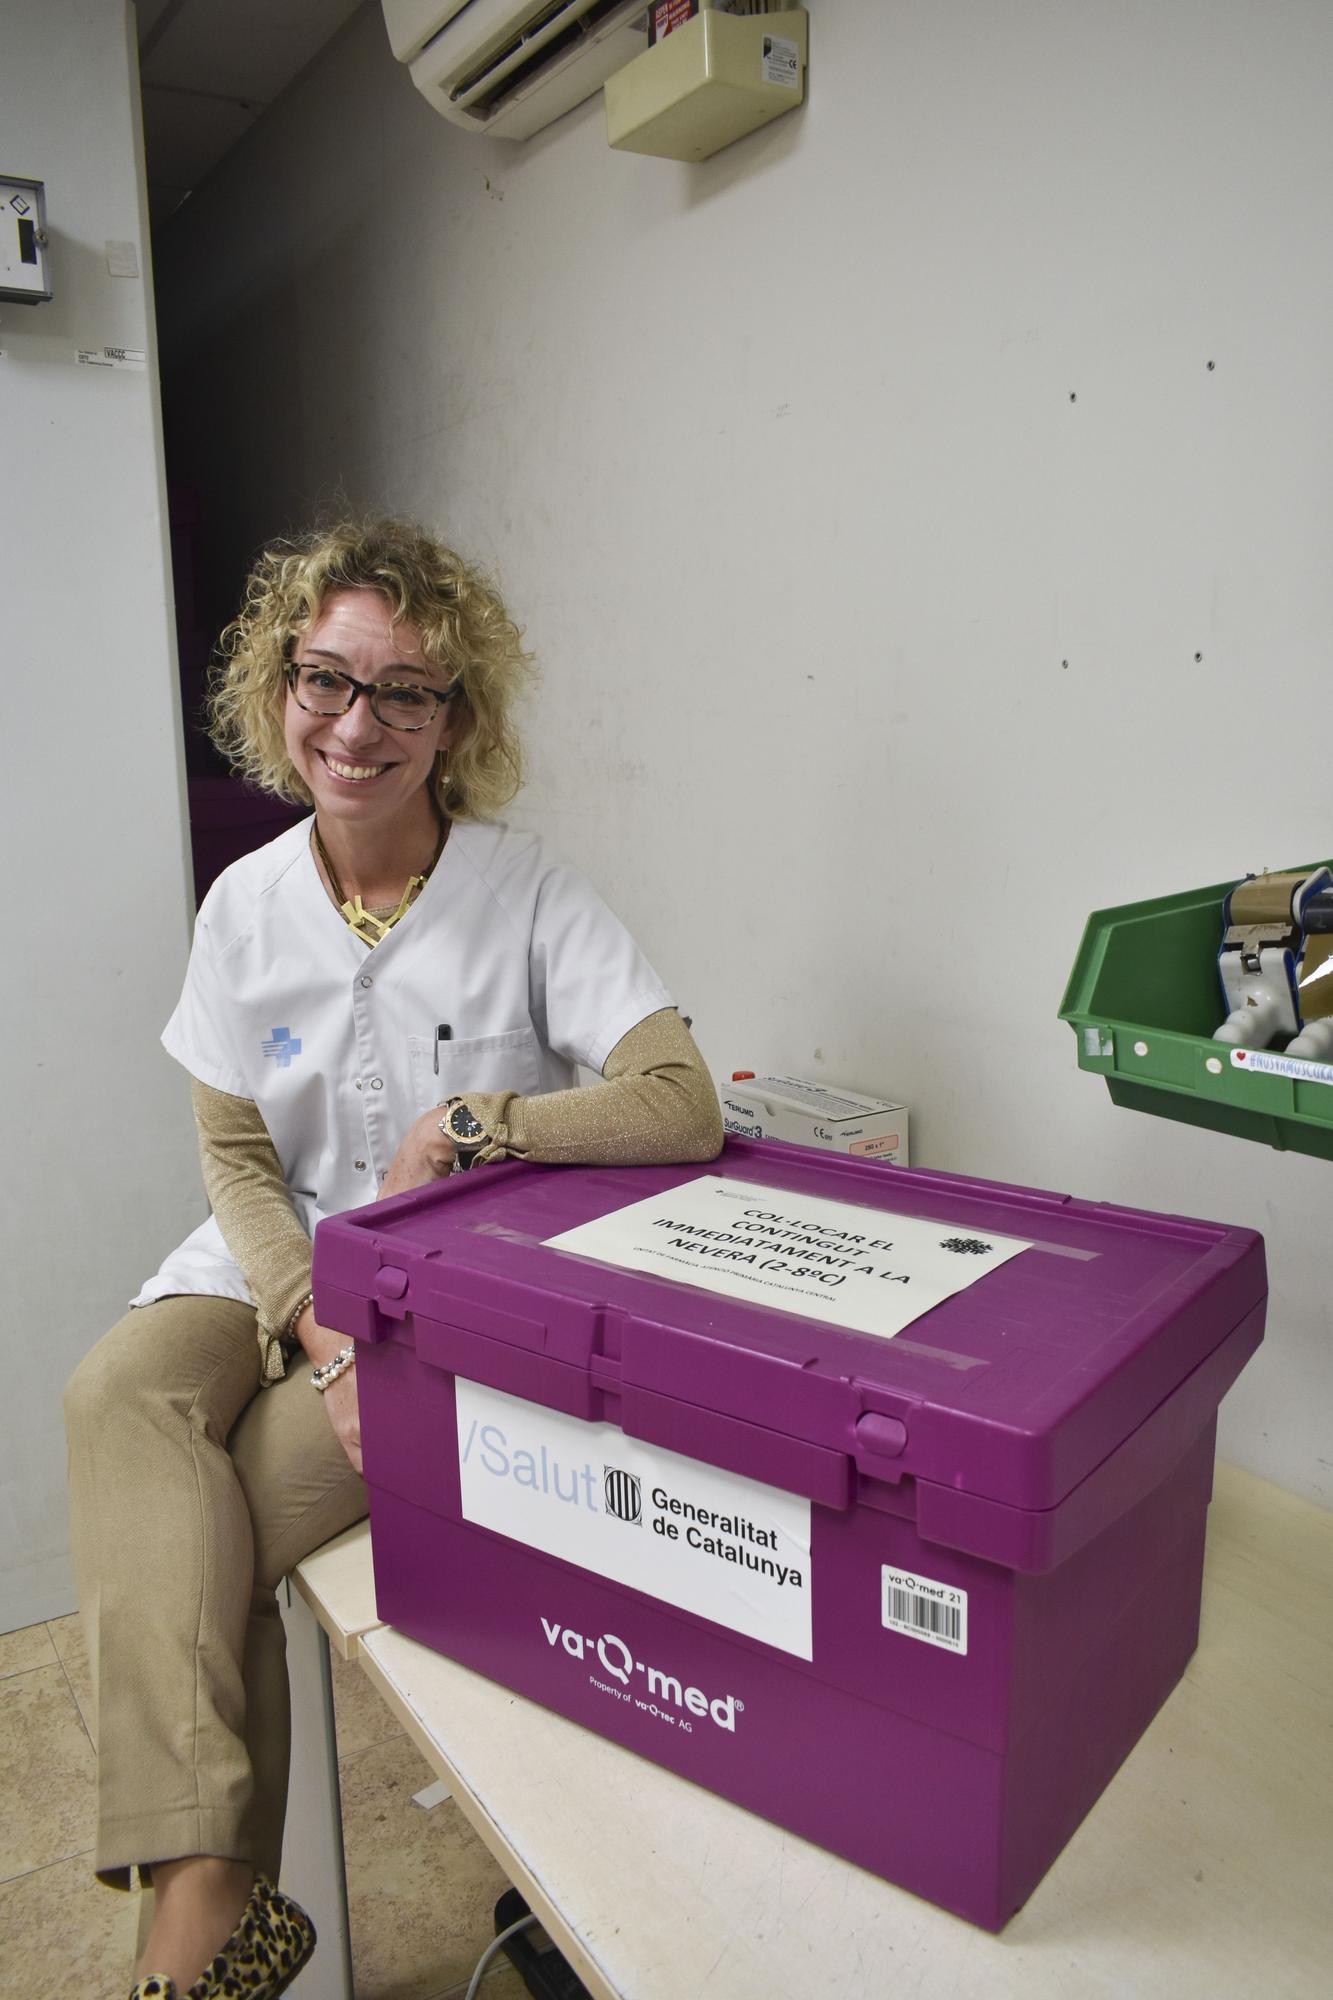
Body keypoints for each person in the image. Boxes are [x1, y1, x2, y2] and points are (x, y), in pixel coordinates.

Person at [64, 518, 723, 2000]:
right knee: (119, 1398)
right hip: (276, 1265)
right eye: (326, 681)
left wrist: (481, 1125)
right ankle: (218, 1896)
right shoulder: (244, 904)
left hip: (443, 1295)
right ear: (278, 687)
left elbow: (678, 1101)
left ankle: (195, 1917)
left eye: (405, 693)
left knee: (210, 1519)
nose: (357, 727)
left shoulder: (529, 889)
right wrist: (313, 1320)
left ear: (456, 720)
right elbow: (237, 1156)